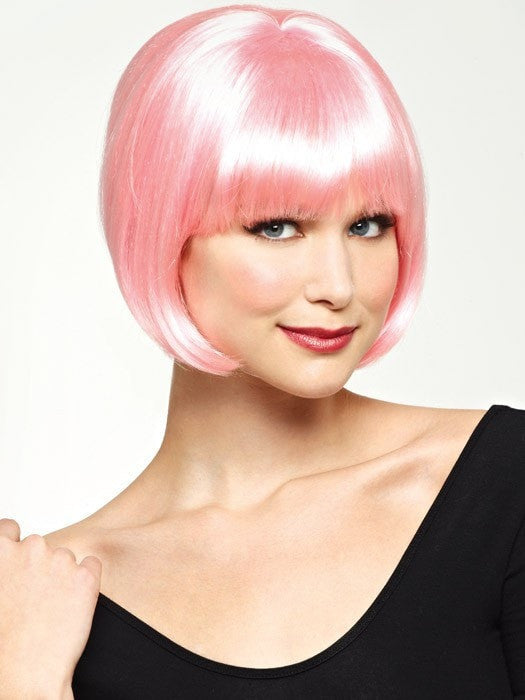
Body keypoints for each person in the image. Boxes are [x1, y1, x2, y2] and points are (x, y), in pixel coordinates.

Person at [33, 4, 524, 698]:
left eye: (367, 225)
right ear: (162, 233)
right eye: (276, 227)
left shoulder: (503, 487)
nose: (338, 286)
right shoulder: (49, 601)